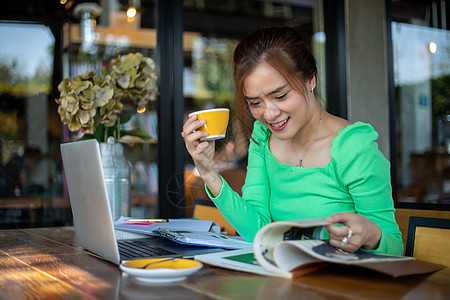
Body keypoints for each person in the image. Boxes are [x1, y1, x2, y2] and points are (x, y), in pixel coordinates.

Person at [182, 27, 403, 255]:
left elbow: (395, 248)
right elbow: (257, 230)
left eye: (280, 96)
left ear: (310, 80)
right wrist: (207, 172)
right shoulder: (263, 137)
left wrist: (371, 236)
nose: (269, 114)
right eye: (255, 103)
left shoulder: (353, 146)